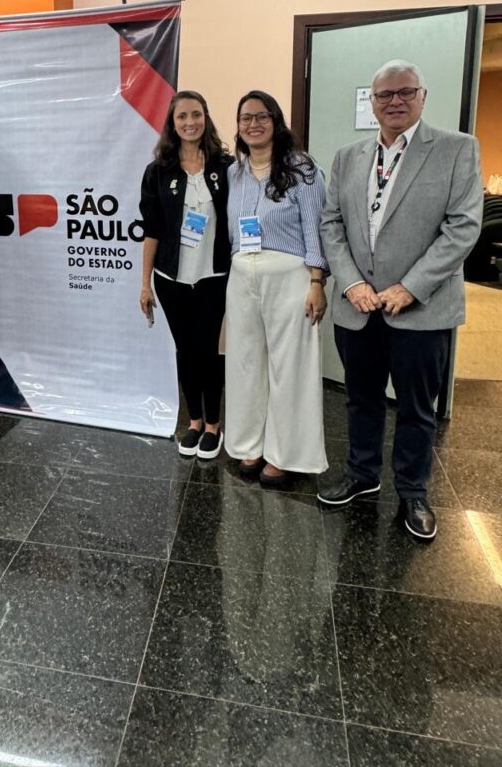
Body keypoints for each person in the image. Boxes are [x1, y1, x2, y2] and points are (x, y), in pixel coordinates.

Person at [318, 59, 483, 540]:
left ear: (422, 96)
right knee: (361, 399)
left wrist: (410, 287)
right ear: (372, 102)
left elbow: (462, 228)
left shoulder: (456, 149)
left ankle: (413, 491)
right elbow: (332, 223)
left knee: (416, 407)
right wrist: (351, 283)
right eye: (384, 94)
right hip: (359, 307)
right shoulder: (348, 156)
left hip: (423, 310)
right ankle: (362, 474)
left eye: (405, 91)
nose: (395, 101)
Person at [225, 91, 328, 486]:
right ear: (238, 126)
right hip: (242, 275)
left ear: (276, 121)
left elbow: (315, 229)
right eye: (245, 118)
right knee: (246, 363)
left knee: (290, 367)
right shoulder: (235, 173)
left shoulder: (302, 169)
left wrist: (316, 281)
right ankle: (250, 444)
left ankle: (284, 454)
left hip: (289, 276)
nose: (253, 124)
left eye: (262, 116)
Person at [139, 91, 232, 458]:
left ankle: (213, 425)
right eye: (182, 116)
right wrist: (144, 284)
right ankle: (193, 422)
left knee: (209, 350)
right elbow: (151, 230)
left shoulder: (226, 167)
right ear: (172, 123)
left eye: (196, 115)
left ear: (205, 118)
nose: (190, 122)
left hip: (214, 276)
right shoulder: (158, 171)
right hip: (171, 278)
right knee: (186, 351)